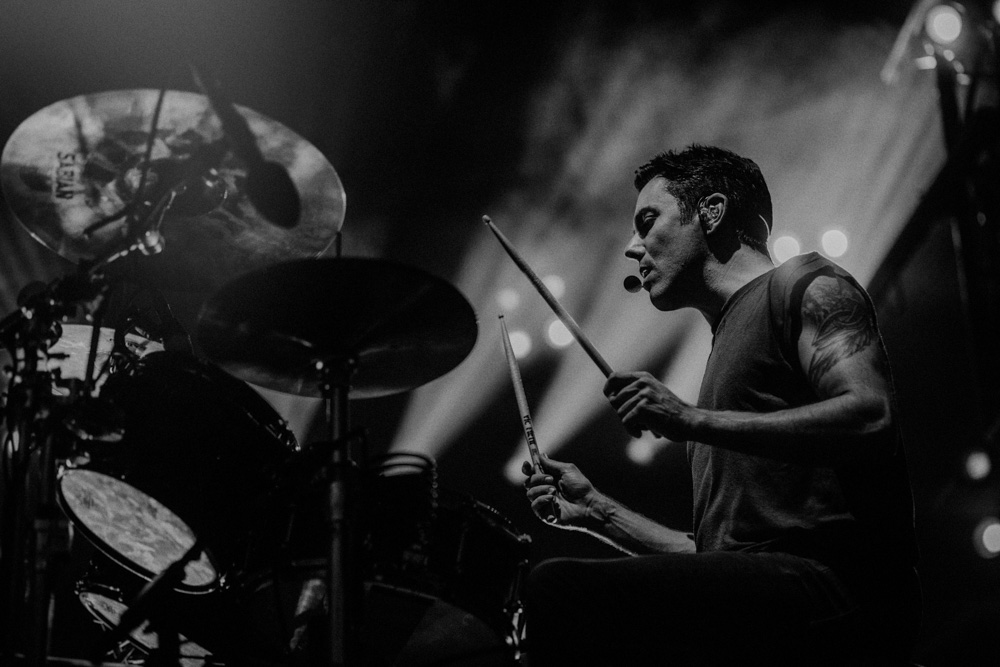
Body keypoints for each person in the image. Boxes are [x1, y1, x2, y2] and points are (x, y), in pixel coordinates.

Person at [522, 145, 920, 665]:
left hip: (833, 592)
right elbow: (716, 563)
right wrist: (598, 511)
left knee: (560, 590)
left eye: (647, 221)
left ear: (711, 211)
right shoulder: (721, 350)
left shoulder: (806, 285)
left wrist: (689, 420)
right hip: (772, 596)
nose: (631, 247)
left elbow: (873, 416)